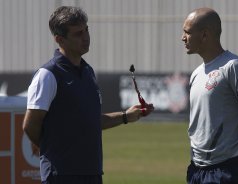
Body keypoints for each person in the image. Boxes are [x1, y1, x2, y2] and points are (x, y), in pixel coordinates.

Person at [22, 6, 154, 184]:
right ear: (59, 39)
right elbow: (30, 125)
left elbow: (91, 121)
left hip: (92, 172)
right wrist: (53, 151)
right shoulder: (48, 75)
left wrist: (125, 116)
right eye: (78, 34)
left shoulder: (88, 72)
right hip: (61, 175)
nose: (86, 37)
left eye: (86, 30)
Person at [181, 8, 238, 184]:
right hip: (196, 170)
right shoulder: (196, 73)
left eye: (187, 32)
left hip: (227, 171)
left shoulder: (234, 66)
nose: (183, 37)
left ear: (204, 35)